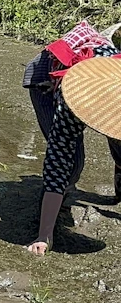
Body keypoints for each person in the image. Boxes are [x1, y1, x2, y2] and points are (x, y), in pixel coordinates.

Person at [26, 46, 121, 255]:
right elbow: (57, 162)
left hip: (101, 72)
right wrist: (44, 236)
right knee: (71, 165)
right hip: (47, 79)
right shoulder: (70, 104)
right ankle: (53, 211)